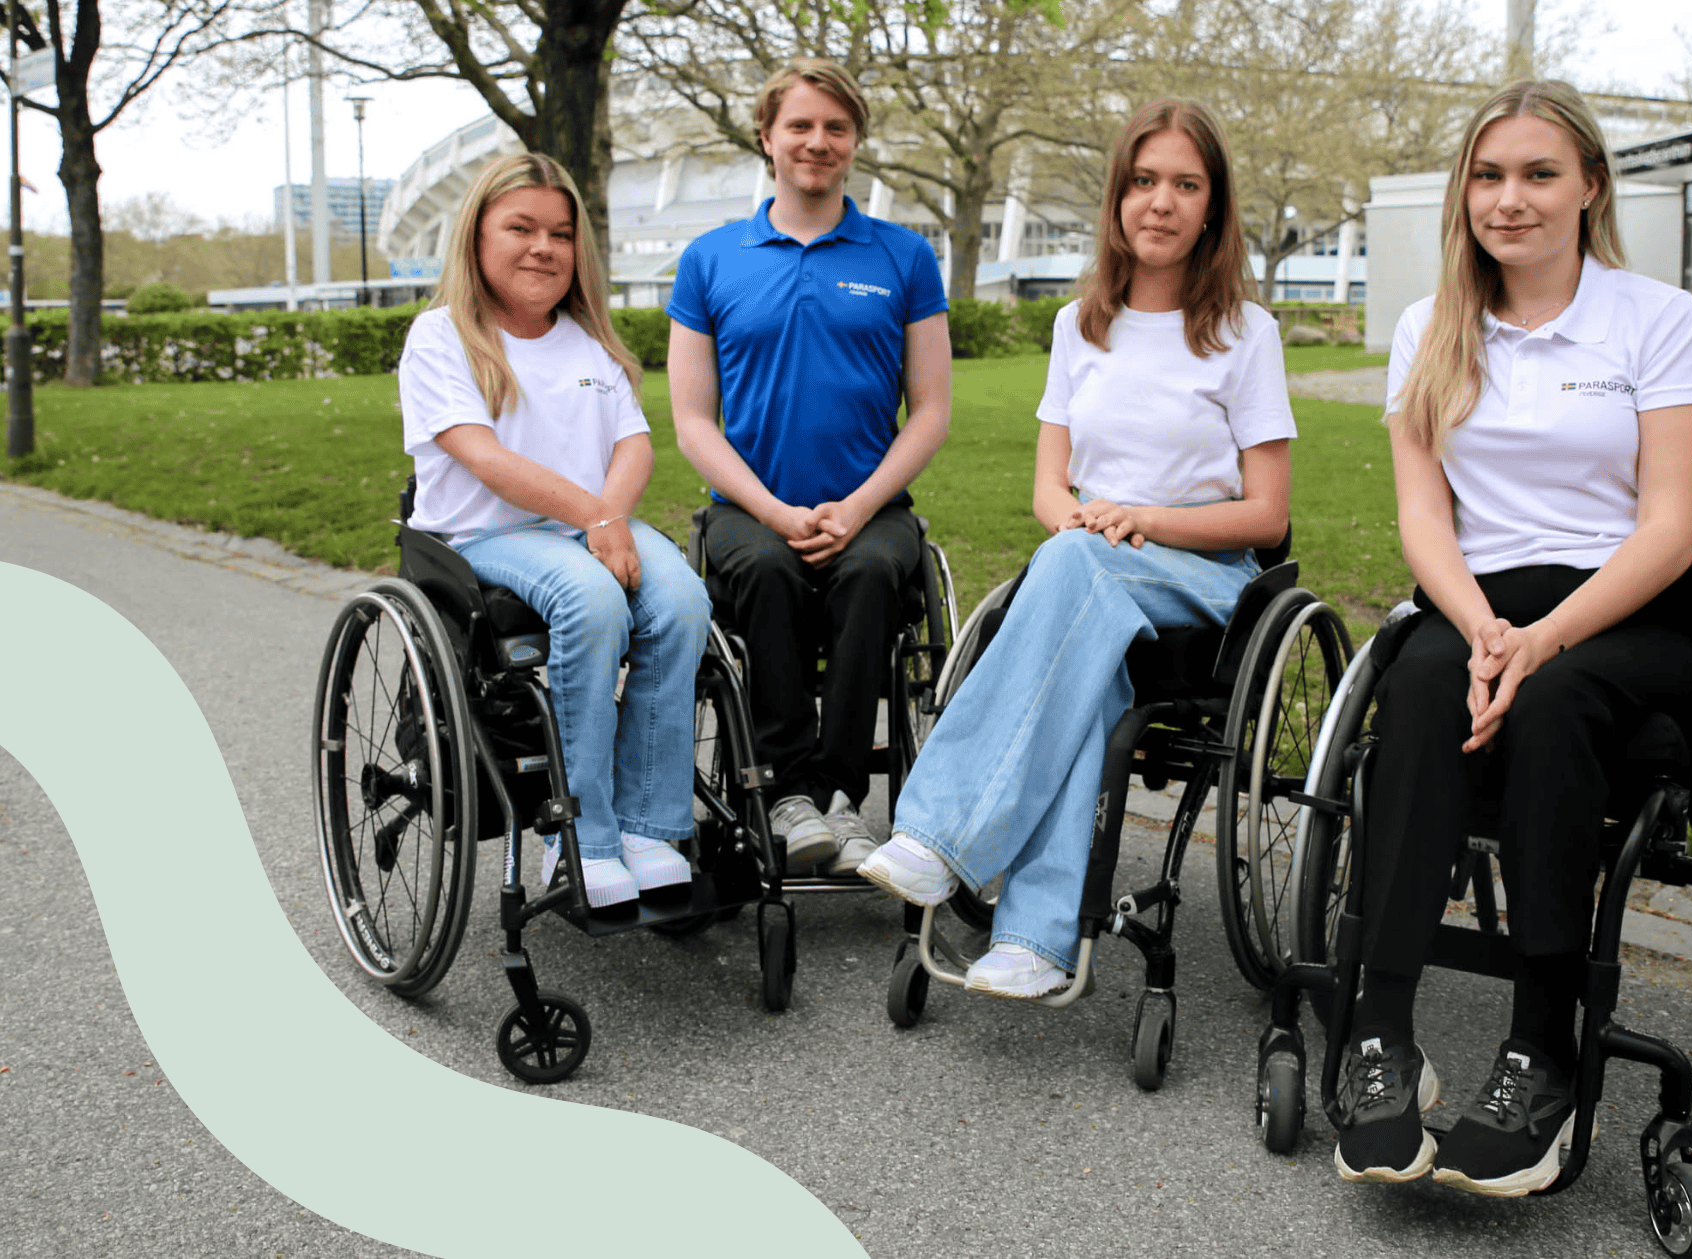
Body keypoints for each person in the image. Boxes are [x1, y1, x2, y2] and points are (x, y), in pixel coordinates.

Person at [1334, 80, 1692, 1196]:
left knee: (1555, 702)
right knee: (1412, 690)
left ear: (1588, 187)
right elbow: (1423, 516)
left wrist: (1541, 639)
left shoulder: (1654, 319)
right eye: (1487, 174)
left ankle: (1539, 1046)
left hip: (1627, 600)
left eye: (1537, 174)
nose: (1508, 199)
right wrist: (1476, 628)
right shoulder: (1429, 326)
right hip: (1480, 596)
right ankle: (1378, 1033)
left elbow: (1663, 530)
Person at [859, 98, 1294, 998]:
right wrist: (1087, 522)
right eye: (1142, 182)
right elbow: (1047, 490)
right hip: (1091, 565)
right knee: (1082, 637)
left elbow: (1265, 513)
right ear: (1116, 198)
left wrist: (1138, 517)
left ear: (1212, 206)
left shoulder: (1246, 334)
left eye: (1184, 184)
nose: (1160, 203)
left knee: (1073, 560)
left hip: (1205, 574)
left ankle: (942, 834)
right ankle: (1036, 939)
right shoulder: (1076, 326)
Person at [399, 153, 711, 909]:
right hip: (483, 537)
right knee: (592, 602)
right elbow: (484, 458)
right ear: (476, 238)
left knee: (683, 603)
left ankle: (647, 824)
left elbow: (634, 445)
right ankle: (579, 833)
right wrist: (599, 517)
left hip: (590, 524)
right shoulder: (442, 337)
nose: (543, 246)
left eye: (561, 234)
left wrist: (609, 515)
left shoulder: (587, 340)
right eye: (521, 228)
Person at [668, 57, 951, 877]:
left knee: (868, 577)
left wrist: (859, 507)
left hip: (872, 507)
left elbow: (929, 410)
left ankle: (839, 802)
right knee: (766, 571)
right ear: (766, 138)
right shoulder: (711, 258)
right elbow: (692, 419)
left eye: (834, 127)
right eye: (799, 125)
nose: (816, 142)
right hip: (749, 510)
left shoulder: (902, 256)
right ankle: (787, 794)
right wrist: (771, 511)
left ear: (855, 142)